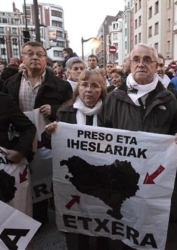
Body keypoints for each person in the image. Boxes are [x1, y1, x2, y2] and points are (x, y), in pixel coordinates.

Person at [99, 43, 177, 249]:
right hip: (123, 174)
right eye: (136, 59)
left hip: (155, 176)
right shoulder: (113, 98)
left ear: (156, 65)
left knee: (151, 222)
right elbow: (103, 134)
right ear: (129, 64)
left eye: (147, 60)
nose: (141, 64)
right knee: (125, 218)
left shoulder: (169, 97)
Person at [3, 41, 72, 224]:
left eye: (39, 54)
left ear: (45, 59)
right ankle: (25, 217)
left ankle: (41, 217)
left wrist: (56, 109)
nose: (35, 57)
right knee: (24, 178)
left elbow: (70, 112)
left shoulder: (61, 86)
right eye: (30, 53)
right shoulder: (10, 84)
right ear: (22, 58)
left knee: (43, 176)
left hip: (47, 141)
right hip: (19, 140)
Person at [45, 70, 108, 250]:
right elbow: (53, 146)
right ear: (78, 88)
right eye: (84, 85)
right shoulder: (65, 111)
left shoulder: (110, 112)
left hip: (102, 177)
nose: (88, 90)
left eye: (94, 86)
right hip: (74, 179)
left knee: (103, 217)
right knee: (77, 224)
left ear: (102, 89)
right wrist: (50, 134)